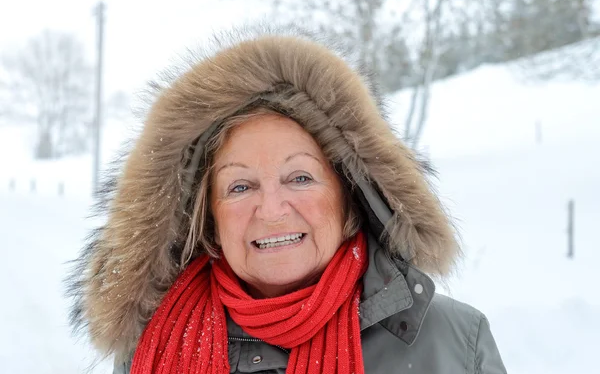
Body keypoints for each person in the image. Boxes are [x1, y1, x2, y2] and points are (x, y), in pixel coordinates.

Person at [67, 26, 506, 374]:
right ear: (209, 218)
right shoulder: (154, 346)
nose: (273, 209)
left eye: (299, 177)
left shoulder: (453, 343)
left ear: (349, 200)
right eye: (240, 187)